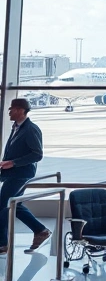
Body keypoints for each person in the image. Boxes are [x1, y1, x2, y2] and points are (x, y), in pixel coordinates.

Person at [0, 98, 50, 255]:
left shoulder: (30, 129)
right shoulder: (16, 127)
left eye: (12, 109)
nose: (9, 112)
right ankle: (40, 230)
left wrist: (13, 163)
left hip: (21, 174)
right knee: (15, 205)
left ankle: (2, 244)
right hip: (13, 173)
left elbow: (37, 154)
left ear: (21, 110)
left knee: (3, 206)